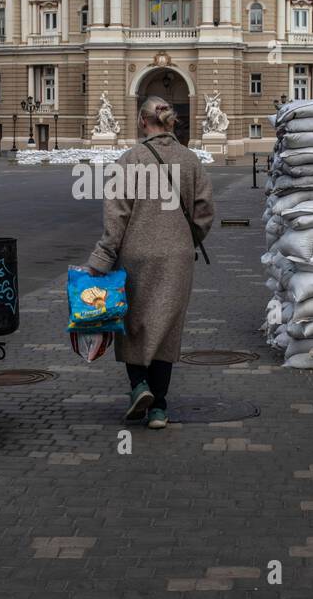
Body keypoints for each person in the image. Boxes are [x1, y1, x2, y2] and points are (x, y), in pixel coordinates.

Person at [83, 96, 215, 429]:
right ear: (170, 122)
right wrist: (188, 239)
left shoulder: (129, 160)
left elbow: (116, 217)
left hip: (135, 255)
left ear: (143, 122)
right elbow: (204, 213)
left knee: (134, 323)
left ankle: (139, 386)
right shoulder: (190, 161)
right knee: (166, 328)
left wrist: (101, 259)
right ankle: (160, 408)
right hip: (177, 258)